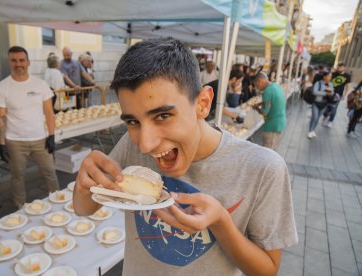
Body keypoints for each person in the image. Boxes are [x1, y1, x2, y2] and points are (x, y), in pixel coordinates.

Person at [73, 38, 297, 276]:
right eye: (132, 121)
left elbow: (267, 270)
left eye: (162, 116)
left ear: (203, 104)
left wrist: (221, 222)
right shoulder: (130, 144)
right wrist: (83, 185)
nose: (146, 144)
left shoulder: (263, 169)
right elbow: (83, 209)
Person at [0, 46, 59, 209]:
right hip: (15, 142)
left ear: (28, 62)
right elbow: (0, 118)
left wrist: (51, 136)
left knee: (50, 172)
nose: (18, 64)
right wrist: (1, 144)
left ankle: (58, 200)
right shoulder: (2, 87)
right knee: (17, 177)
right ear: (9, 62)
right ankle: (20, 208)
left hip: (40, 139)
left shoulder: (40, 85)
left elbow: (49, 113)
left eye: (21, 60)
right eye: (14, 60)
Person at [252, 72, 286, 150]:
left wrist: (256, 108)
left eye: (257, 85)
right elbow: (273, 101)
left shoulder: (267, 91)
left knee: (268, 151)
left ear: (260, 81)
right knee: (273, 149)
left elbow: (264, 112)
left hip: (272, 126)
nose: (257, 88)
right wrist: (260, 103)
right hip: (280, 123)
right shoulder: (276, 86)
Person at [322, 63, 352, 127]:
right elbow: (328, 80)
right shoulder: (334, 73)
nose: (339, 69)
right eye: (338, 67)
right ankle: (325, 116)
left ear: (344, 68)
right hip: (329, 92)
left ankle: (330, 121)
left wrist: (345, 94)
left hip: (338, 95)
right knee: (327, 106)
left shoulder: (347, 76)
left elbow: (348, 85)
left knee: (334, 109)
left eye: (340, 67)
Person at [307, 71, 334, 139]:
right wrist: (325, 93)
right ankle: (310, 131)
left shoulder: (330, 84)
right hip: (316, 102)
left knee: (318, 118)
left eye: (331, 76)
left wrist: (330, 92)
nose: (330, 78)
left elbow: (332, 92)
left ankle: (313, 130)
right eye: (329, 76)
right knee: (315, 117)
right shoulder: (318, 83)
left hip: (325, 104)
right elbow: (315, 92)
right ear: (324, 77)